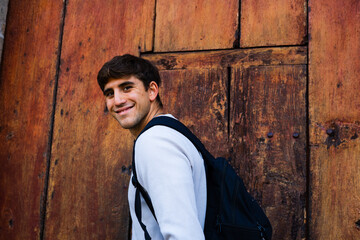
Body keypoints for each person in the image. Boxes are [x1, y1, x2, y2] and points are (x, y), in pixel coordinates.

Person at [97, 54, 207, 240]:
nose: (117, 101)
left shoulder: (155, 142)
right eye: (110, 93)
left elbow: (184, 234)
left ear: (152, 91)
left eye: (126, 88)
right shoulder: (168, 133)